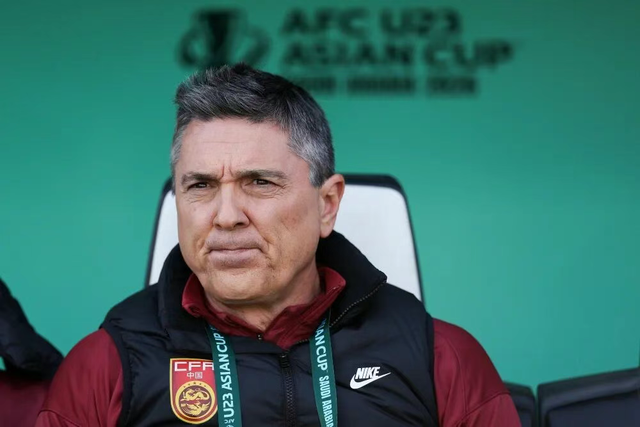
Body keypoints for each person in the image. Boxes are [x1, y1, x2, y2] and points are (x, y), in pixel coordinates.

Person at [36, 64, 520, 426]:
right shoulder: (106, 365)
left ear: (327, 205)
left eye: (260, 183)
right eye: (200, 185)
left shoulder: (441, 358)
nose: (226, 216)